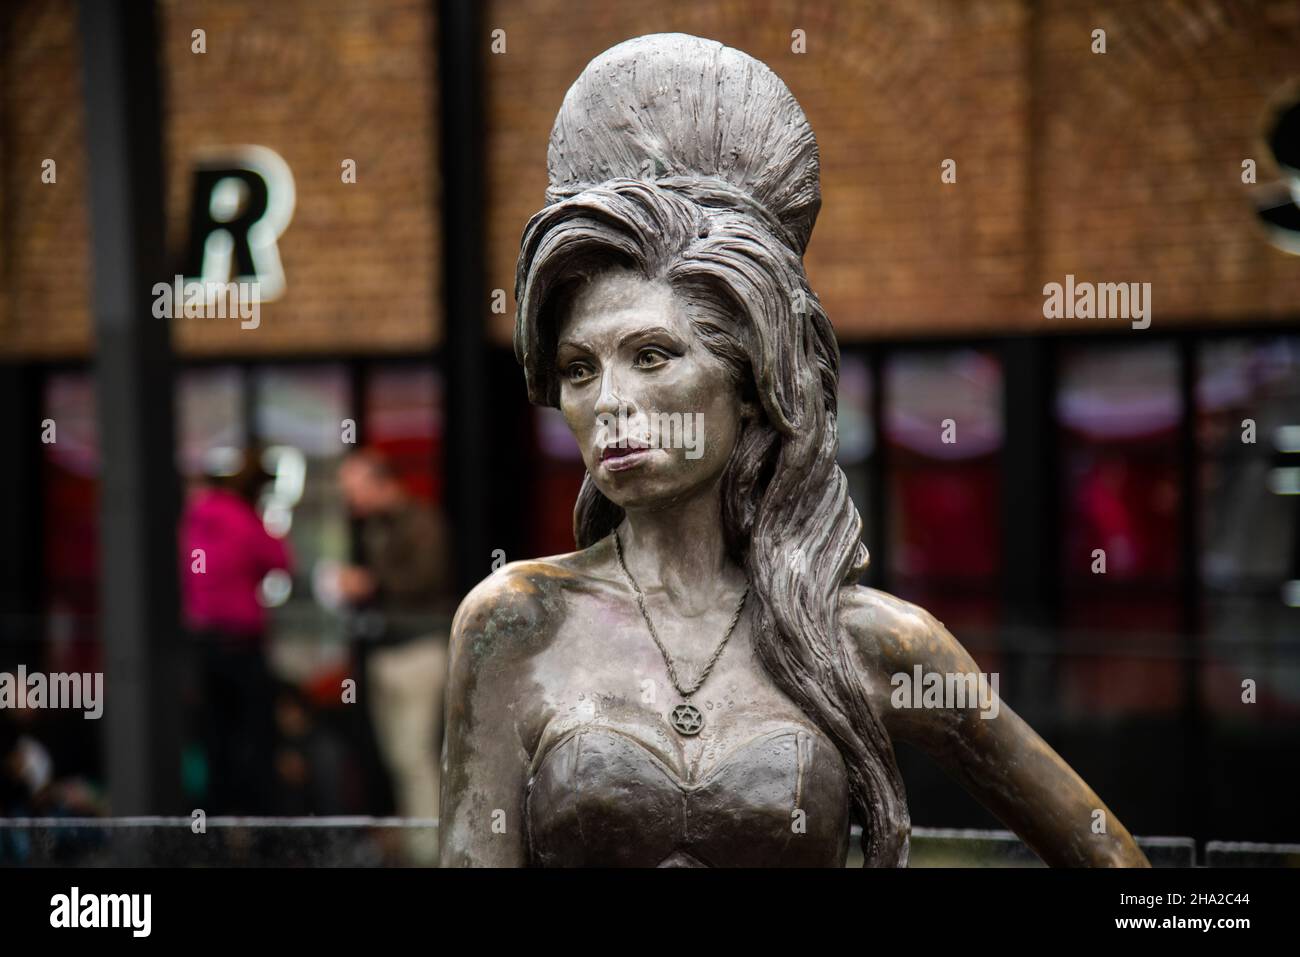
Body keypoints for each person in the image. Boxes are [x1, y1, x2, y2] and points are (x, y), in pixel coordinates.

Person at [439, 34, 1150, 867]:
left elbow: (1112, 859)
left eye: (653, 356)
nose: (610, 404)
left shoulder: (874, 641)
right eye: (577, 369)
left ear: (751, 382)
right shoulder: (516, 622)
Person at [337, 448, 451, 864]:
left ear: (381, 482)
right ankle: (415, 844)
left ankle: (429, 850)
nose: (350, 499)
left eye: (355, 489)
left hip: (418, 652)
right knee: (397, 758)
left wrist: (369, 583)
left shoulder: (421, 521)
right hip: (385, 653)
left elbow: (427, 577)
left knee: (414, 756)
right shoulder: (370, 527)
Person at [179, 447, 293, 814]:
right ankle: (260, 831)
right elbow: (279, 560)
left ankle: (215, 828)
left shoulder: (194, 519)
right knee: (257, 739)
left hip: (202, 645)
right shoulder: (242, 519)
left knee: (214, 740)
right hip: (242, 646)